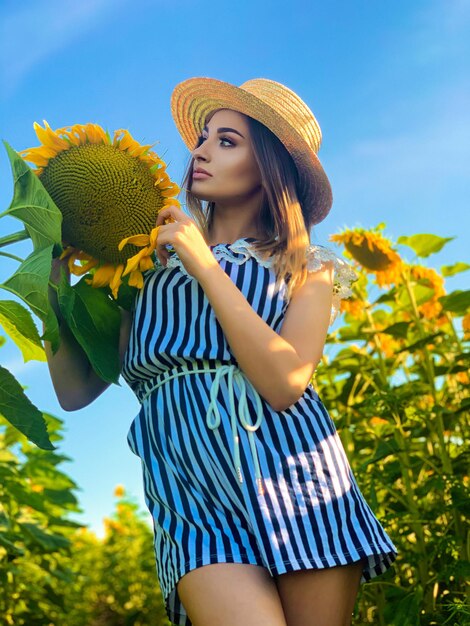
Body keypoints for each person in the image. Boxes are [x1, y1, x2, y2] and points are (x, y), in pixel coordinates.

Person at [45, 77, 398, 626]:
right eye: (203, 138)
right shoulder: (143, 269)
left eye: (227, 141)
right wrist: (51, 289)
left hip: (299, 484)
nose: (201, 151)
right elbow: (73, 392)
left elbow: (286, 383)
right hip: (190, 498)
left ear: (270, 169)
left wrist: (203, 264)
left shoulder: (308, 270)